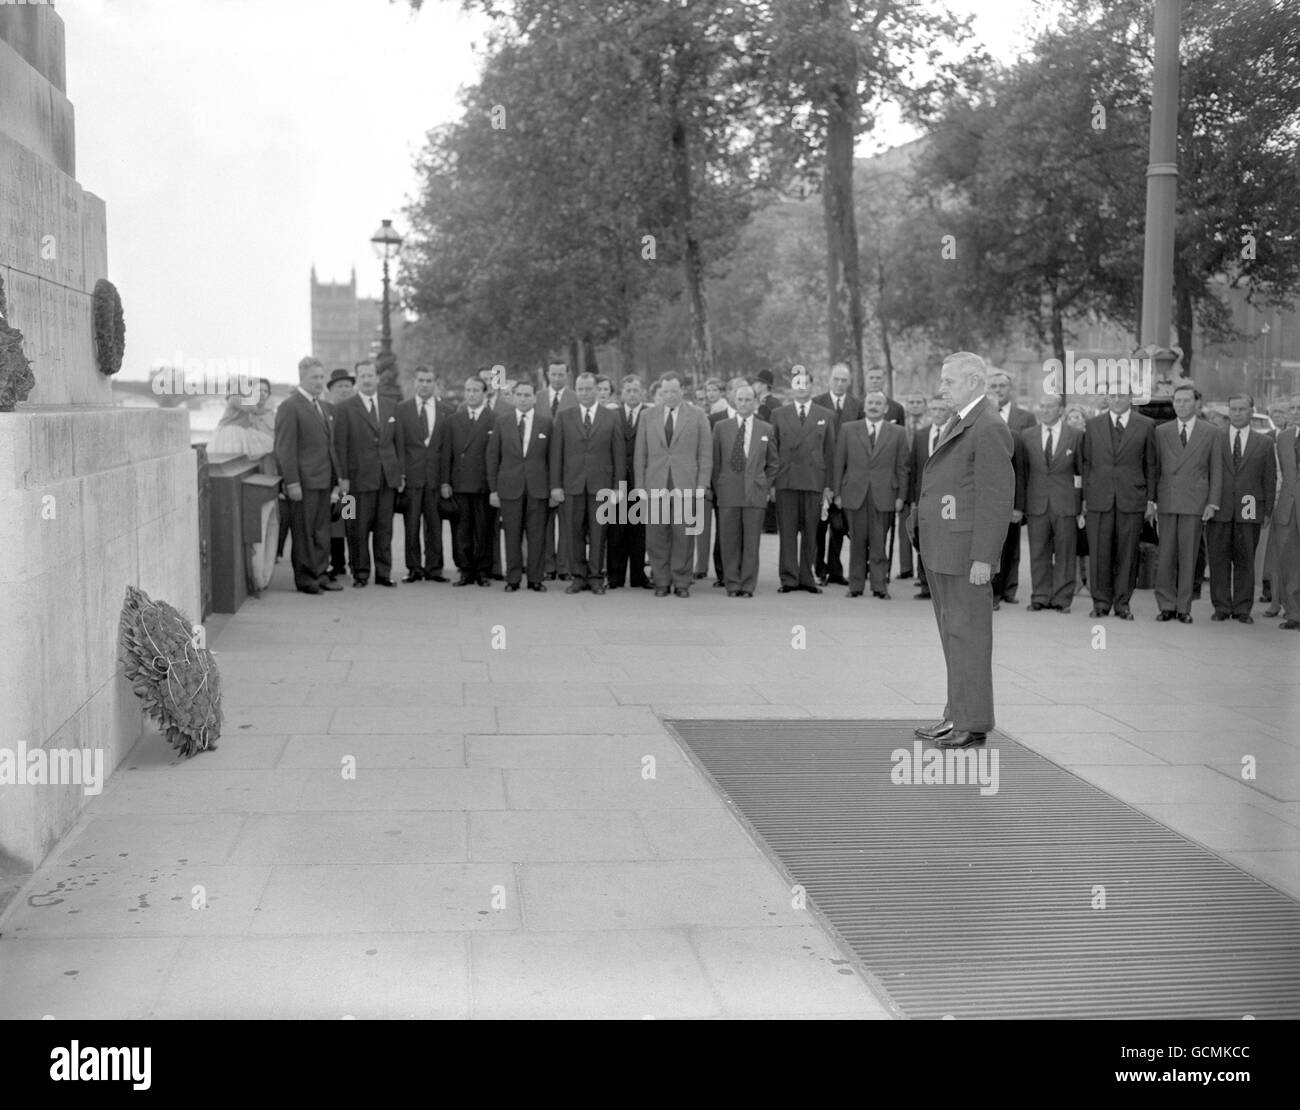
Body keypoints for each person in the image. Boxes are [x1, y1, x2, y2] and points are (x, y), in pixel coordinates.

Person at [912, 351, 1014, 749]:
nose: (941, 389)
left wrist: (984, 557)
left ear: (973, 381)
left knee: (969, 637)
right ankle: (955, 713)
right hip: (942, 549)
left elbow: (996, 497)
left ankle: (973, 723)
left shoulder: (988, 426)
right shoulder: (962, 420)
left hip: (965, 555)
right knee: (953, 635)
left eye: (948, 381)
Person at [634, 370, 712, 597]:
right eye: (665, 391)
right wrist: (639, 487)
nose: (669, 395)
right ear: (660, 392)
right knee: (656, 536)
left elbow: (705, 453)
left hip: (686, 485)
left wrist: (702, 485)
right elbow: (641, 454)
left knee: (683, 536)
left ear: (682, 391)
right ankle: (661, 580)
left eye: (674, 391)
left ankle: (681, 582)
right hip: (655, 484)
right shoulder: (648, 416)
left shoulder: (697, 415)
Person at [1081, 392, 1156, 620]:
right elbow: (1086, 463)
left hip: (1131, 498)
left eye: (1121, 395)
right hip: (1099, 498)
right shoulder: (1093, 425)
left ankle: (1123, 604)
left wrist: (1150, 500)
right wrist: (1085, 496)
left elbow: (1151, 464)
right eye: (1112, 395)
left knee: (1127, 553)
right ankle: (1101, 603)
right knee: (1099, 552)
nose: (1116, 400)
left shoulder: (1145, 425)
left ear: (1130, 399)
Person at [273, 356, 343, 595]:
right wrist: (291, 482)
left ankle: (321, 573)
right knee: (303, 533)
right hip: (303, 483)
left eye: (322, 377)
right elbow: (285, 448)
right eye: (315, 377)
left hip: (324, 480)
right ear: (301, 377)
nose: (320, 382)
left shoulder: (322, 407)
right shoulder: (289, 406)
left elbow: (329, 446)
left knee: (322, 530)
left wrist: (338, 479)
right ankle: (305, 578)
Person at [550, 372, 625, 594]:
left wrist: (618, 487)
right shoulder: (564, 416)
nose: (584, 393)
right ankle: (578, 577)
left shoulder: (611, 417)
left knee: (599, 533)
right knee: (573, 533)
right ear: (576, 391)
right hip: (572, 485)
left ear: (596, 390)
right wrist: (555, 485)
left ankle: (595, 577)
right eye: (580, 389)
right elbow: (557, 454)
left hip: (601, 486)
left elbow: (618, 454)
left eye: (588, 389)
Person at [1152, 383, 1222, 623]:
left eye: (1186, 401)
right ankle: (1165, 605)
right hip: (1168, 500)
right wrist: (1152, 501)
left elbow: (1216, 470)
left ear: (1197, 404)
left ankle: (1184, 607)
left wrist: (1212, 503)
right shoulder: (1161, 431)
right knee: (1166, 556)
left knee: (1189, 555)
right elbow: (1155, 468)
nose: (1180, 405)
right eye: (1177, 401)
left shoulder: (1211, 432)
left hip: (1195, 501)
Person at [833, 391, 909, 599]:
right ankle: (855, 585)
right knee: (856, 541)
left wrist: (901, 496)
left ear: (885, 408)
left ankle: (879, 585)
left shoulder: (898, 432)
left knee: (879, 543)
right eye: (870, 403)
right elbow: (839, 463)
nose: (874, 406)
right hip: (854, 493)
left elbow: (902, 467)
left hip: (884, 495)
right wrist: (837, 493)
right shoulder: (848, 429)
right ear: (864, 407)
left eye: (878, 403)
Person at [1206, 394, 1275, 623]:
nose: (1237, 413)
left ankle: (1243, 609)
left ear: (1251, 411)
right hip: (1220, 505)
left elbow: (1269, 478)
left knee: (1245, 558)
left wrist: (1267, 511)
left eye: (1242, 409)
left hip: (1249, 505)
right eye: (1233, 409)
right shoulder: (1216, 438)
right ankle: (1222, 606)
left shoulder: (1264, 443)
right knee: (1219, 558)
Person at [335, 362, 404, 588]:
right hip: (356, 481)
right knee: (356, 528)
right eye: (362, 376)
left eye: (370, 375)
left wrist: (399, 473)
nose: (367, 379)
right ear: (358, 379)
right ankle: (360, 573)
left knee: (385, 528)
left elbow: (398, 443)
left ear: (377, 378)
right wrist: (343, 478)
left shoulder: (391, 406)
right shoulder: (345, 408)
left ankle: (384, 573)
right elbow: (340, 446)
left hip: (386, 478)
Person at [771, 366, 836, 593]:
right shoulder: (779, 414)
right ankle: (788, 579)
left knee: (811, 532)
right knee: (787, 532)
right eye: (797, 383)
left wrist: (829, 486)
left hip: (813, 482)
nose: (801, 387)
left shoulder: (826, 416)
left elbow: (831, 453)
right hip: (786, 481)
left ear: (812, 386)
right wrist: (772, 483)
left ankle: (807, 578)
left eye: (805, 383)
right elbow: (773, 450)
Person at [1016, 393, 1083, 613]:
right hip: (1037, 504)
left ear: (1060, 410)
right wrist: (1022, 503)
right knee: (1038, 551)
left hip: (1065, 504)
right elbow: (1023, 474)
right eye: (1041, 406)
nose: (1045, 410)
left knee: (1065, 551)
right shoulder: (1027, 436)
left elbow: (1082, 471)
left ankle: (1062, 598)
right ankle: (1040, 596)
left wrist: (1081, 503)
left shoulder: (1075, 435)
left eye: (1050, 407)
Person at [712, 384, 778, 597]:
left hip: (754, 493)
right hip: (728, 491)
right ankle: (732, 583)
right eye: (740, 399)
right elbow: (715, 461)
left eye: (748, 400)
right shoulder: (721, 427)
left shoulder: (766, 429)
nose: (743, 404)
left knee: (751, 541)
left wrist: (764, 485)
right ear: (734, 401)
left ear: (755, 402)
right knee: (729, 541)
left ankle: (748, 584)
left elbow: (774, 463)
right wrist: (718, 486)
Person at [488, 381, 553, 592]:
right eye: (520, 395)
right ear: (514, 398)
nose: (523, 399)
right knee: (512, 534)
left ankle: (535, 578)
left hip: (538, 487)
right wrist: (493, 489)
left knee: (537, 536)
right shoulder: (502, 422)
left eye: (527, 395)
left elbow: (552, 458)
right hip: (509, 487)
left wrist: (553, 488)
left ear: (534, 398)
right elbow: (492, 456)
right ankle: (513, 578)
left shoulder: (546, 423)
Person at [394, 366, 451, 582]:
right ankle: (414, 568)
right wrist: (401, 474)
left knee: (434, 526)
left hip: (435, 478)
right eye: (421, 380)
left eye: (429, 380)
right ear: (414, 382)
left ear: (435, 382)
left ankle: (434, 568)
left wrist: (445, 480)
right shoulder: (402, 409)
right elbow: (399, 444)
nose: (425, 384)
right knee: (412, 525)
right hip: (412, 477)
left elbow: (446, 450)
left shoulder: (446, 409)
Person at [986, 369, 1036, 609]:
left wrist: (1019, 505)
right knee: (992, 546)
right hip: (987, 498)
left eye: (1002, 386)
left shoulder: (1024, 419)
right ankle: (992, 591)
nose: (998, 390)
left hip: (1011, 495)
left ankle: (1009, 589)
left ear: (1010, 389)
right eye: (993, 386)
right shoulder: (981, 418)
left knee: (1012, 545)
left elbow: (1024, 466)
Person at [443, 376, 497, 587]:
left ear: (484, 394)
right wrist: (445, 482)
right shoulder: (453, 421)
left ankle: (483, 571)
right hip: (460, 483)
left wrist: (495, 486)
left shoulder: (495, 419)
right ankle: (466, 570)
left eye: (476, 390)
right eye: (468, 390)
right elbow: (447, 453)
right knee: (462, 529)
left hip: (484, 484)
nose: (471, 394)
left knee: (484, 529)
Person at [814, 362, 861, 586]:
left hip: (845, 474)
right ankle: (818, 568)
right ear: (829, 380)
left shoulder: (856, 405)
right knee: (819, 525)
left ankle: (835, 569)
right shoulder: (817, 403)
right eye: (836, 379)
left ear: (849, 382)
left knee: (839, 526)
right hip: (822, 473)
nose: (840, 383)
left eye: (844, 380)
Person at [907, 395, 952, 601]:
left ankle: (943, 586)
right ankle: (925, 585)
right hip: (923, 498)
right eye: (934, 409)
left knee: (945, 542)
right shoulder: (921, 435)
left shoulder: (955, 434)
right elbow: (914, 469)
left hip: (947, 499)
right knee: (923, 541)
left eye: (942, 409)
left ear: (949, 411)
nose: (937, 413)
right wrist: (913, 500)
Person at [607, 376, 649, 589]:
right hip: (616, 481)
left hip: (641, 481)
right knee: (616, 530)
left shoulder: (649, 414)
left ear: (643, 392)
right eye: (628, 390)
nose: (632, 394)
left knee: (639, 531)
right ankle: (615, 576)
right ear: (621, 394)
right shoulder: (612, 415)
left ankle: (638, 576)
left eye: (636, 390)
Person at [318, 368, 356, 579]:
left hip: (350, 481)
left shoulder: (355, 410)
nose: (344, 390)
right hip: (331, 479)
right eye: (339, 386)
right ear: (331, 389)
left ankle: (353, 561)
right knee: (333, 523)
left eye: (347, 386)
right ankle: (337, 562)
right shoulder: (326, 410)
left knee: (350, 520)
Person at [541, 362, 578, 580]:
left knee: (567, 522)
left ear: (567, 375)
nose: (556, 378)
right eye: (553, 374)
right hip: (542, 467)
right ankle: (548, 565)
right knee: (544, 523)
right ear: (547, 375)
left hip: (568, 468)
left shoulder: (574, 398)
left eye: (560, 374)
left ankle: (564, 566)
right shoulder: (537, 398)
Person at [897, 393, 929, 580]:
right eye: (911, 402)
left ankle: (921, 571)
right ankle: (905, 568)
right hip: (903, 481)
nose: (915, 405)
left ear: (924, 405)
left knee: (920, 529)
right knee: (904, 528)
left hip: (921, 482)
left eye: (919, 402)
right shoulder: (900, 427)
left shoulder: (931, 426)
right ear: (907, 405)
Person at [1272, 416, 1300, 630]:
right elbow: (1278, 474)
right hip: (1287, 509)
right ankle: (1293, 613)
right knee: (1289, 562)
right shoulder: (1284, 438)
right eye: (1296, 408)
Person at [210, 377, 275, 459]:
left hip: (234, 429)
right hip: (231, 430)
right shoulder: (235, 398)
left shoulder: (238, 399)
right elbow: (253, 409)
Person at [1064, 404, 1090, 592]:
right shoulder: (1064, 440)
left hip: (1089, 493)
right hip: (1068, 495)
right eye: (1072, 417)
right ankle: (1074, 580)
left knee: (1088, 541)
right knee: (1072, 540)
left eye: (1079, 416)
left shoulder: (1090, 438)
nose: (1076, 419)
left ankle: (1088, 580)